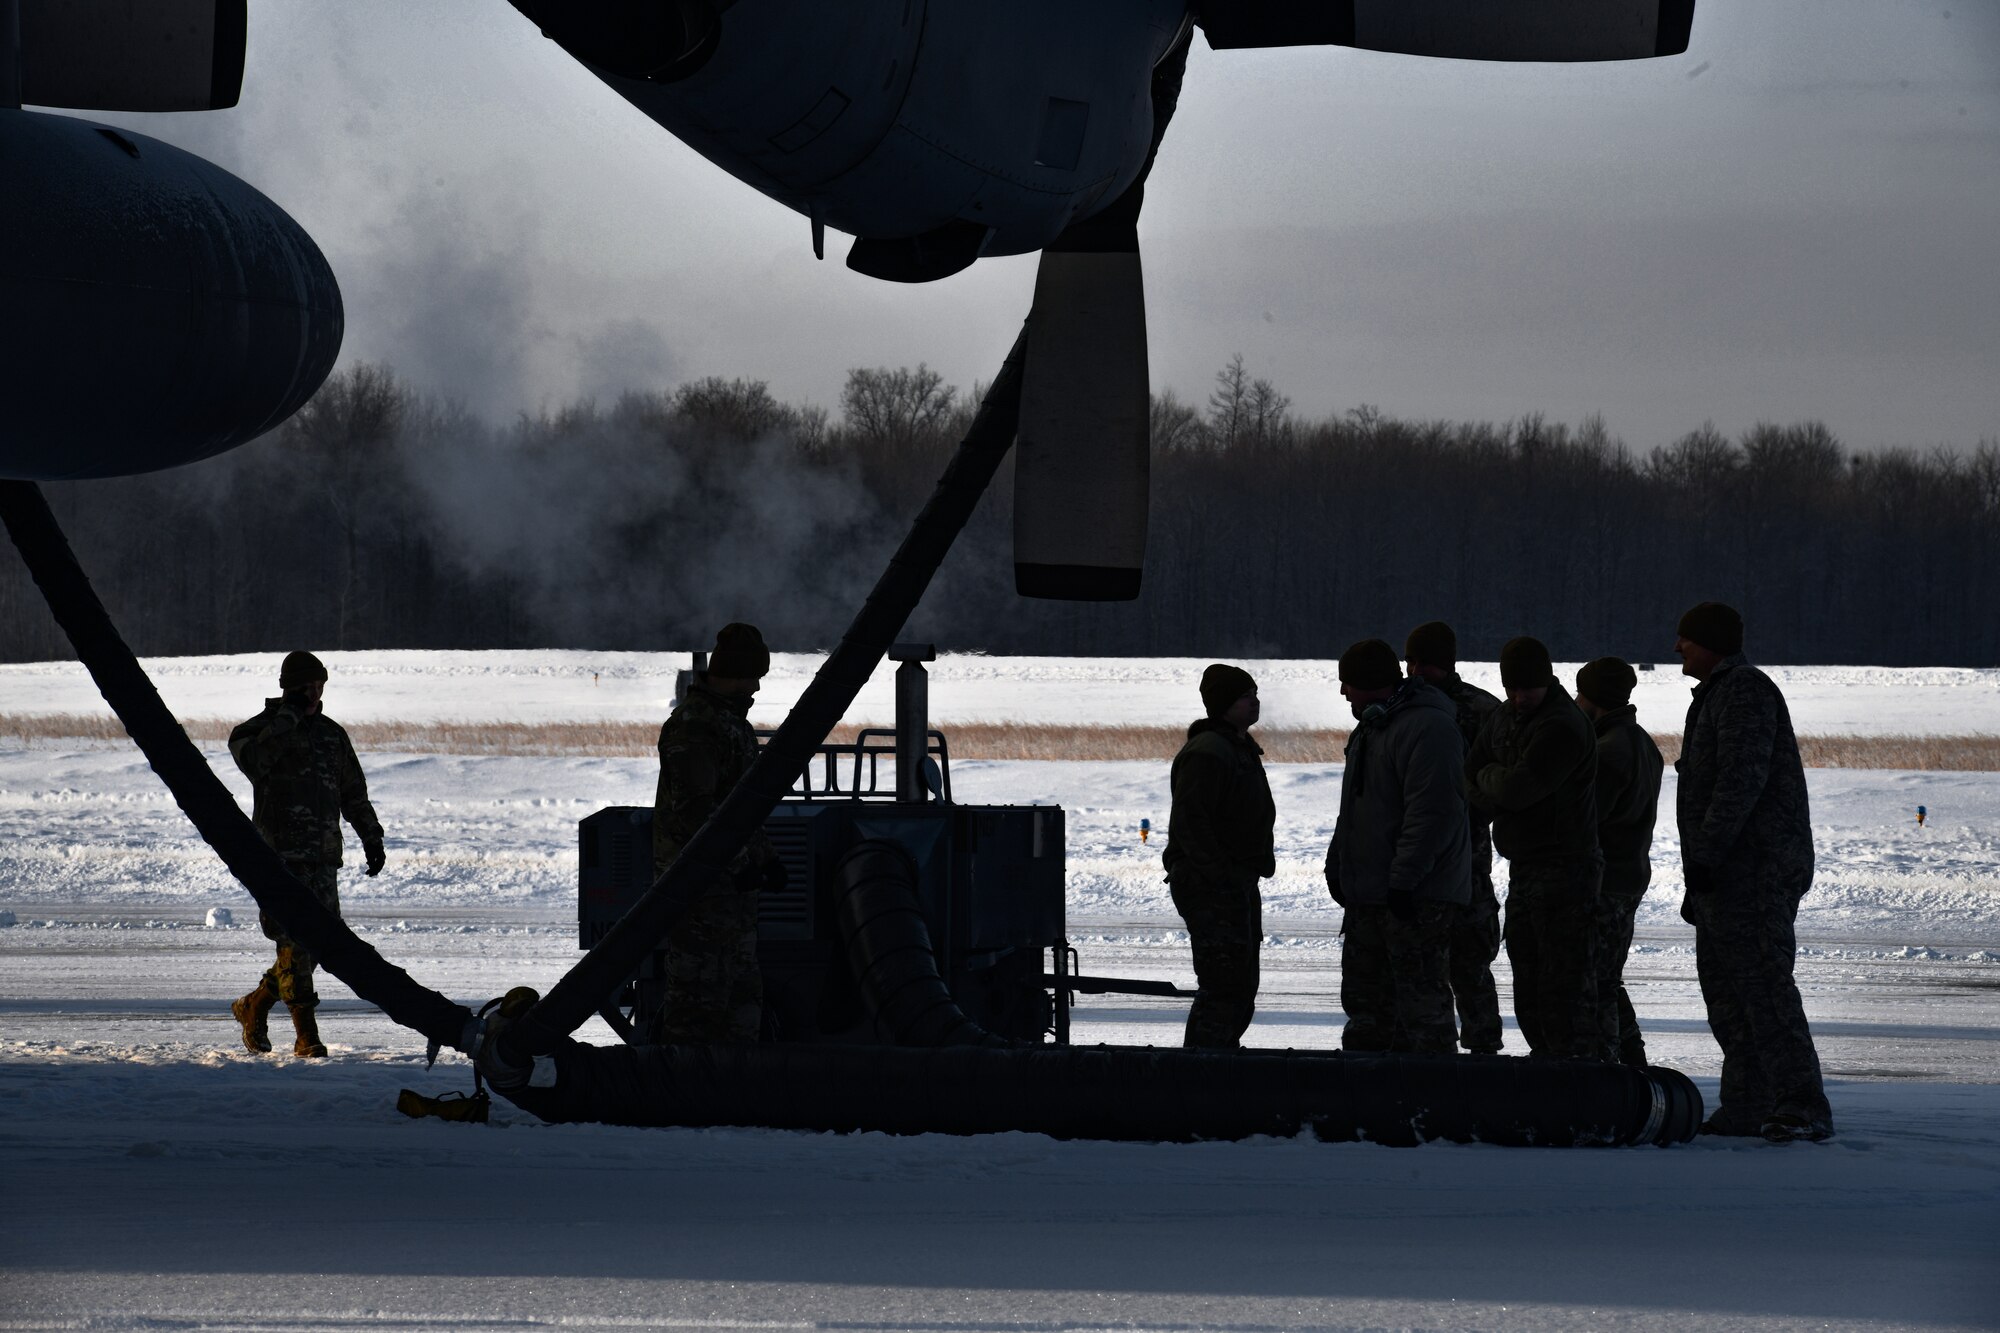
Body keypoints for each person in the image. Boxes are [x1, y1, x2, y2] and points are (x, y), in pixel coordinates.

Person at [1674, 602, 1833, 1142]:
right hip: (1722, 874)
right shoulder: (1717, 696)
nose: (1678, 648)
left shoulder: (1744, 691)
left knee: (1764, 990)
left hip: (1754, 871)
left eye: (1687, 639)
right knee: (1726, 995)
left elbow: (1740, 781)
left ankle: (1802, 1104)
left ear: (1711, 642)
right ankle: (1747, 1102)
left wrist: (1709, 854)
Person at [227, 651, 386, 1059]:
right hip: (276, 859)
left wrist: (371, 834)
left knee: (318, 943)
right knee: (296, 940)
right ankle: (306, 1036)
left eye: (319, 686)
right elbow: (256, 764)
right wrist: (287, 720)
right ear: (287, 688)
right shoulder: (255, 732)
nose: (313, 693)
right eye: (305, 686)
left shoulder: (332, 735)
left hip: (323, 858)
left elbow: (352, 792)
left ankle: (255, 1004)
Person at [1325, 639, 1473, 1054]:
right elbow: (1355, 808)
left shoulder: (1429, 728)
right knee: (1368, 1010)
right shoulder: (1373, 727)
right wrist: (1338, 865)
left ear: (1369, 684)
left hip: (1415, 898)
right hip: (1372, 896)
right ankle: (1368, 1104)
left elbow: (1433, 814)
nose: (1343, 693)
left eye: (1347, 683)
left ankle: (1431, 1103)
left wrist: (1404, 882)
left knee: (1421, 1011)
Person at [1466, 636, 1602, 1060]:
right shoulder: (1504, 717)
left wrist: (1494, 779)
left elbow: (1517, 789)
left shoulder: (1562, 724)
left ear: (1547, 681)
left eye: (1528, 688)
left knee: (1564, 980)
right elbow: (1469, 771)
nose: (1519, 697)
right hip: (1525, 865)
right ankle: (1546, 1058)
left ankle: (1576, 1069)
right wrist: (1495, 780)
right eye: (1512, 688)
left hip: (1567, 868)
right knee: (1527, 972)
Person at [651, 622, 783, 1044]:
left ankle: (732, 1094)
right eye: (754, 679)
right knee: (697, 1002)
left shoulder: (732, 725)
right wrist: (741, 862)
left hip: (731, 894)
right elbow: (697, 813)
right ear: (737, 674)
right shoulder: (695, 726)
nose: (757, 689)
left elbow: (743, 805)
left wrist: (766, 858)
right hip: (697, 890)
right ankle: (684, 1096)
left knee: (740, 1000)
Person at [1163, 663, 1276, 1049]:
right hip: (1212, 885)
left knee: (1240, 985)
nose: (1254, 702)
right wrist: (1219, 875)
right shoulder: (1209, 752)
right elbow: (1190, 822)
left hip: (1235, 882)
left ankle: (1221, 1059)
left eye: (1254, 694)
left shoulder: (1236, 748)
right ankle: (1202, 1070)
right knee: (1223, 986)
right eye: (1245, 696)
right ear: (1224, 703)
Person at [1405, 620, 1504, 1054]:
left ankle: (1457, 1050)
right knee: (1471, 966)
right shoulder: (1487, 708)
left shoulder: (1413, 706)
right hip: (1468, 854)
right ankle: (1482, 1049)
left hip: (1454, 853)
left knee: (1444, 963)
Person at [1575, 656, 1665, 1066]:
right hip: (1628, 876)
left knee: (1594, 983)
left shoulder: (1608, 750)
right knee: (1608, 978)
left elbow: (1586, 820)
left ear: (1592, 697)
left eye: (1581, 693)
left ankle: (1607, 1068)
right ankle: (1632, 1058)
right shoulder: (1642, 742)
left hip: (1605, 881)